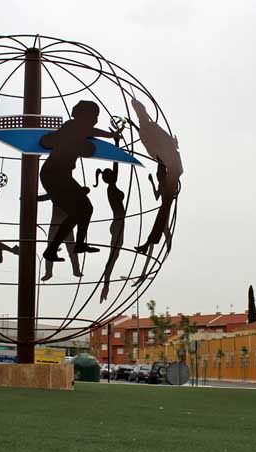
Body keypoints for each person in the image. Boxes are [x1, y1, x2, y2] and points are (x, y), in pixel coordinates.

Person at [38, 100, 121, 262]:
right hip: (54, 175)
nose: (95, 120)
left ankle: (66, 247)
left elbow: (89, 133)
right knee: (83, 210)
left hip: (61, 175)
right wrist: (111, 135)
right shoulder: (72, 126)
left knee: (83, 210)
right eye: (93, 116)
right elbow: (91, 131)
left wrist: (111, 136)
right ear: (84, 115)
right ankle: (64, 247)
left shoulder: (77, 131)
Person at [130, 98, 182, 255]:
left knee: (163, 212)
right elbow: (154, 148)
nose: (140, 115)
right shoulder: (147, 128)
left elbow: (157, 146)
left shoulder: (150, 128)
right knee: (163, 212)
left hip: (171, 171)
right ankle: (149, 243)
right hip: (167, 168)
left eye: (140, 113)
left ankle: (149, 243)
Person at [94, 162, 125, 302]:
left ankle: (106, 283)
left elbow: (116, 168)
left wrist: (118, 144)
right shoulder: (111, 189)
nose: (116, 175)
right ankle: (106, 284)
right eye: (113, 174)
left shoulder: (112, 186)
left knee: (115, 255)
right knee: (113, 256)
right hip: (118, 224)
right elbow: (116, 169)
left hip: (119, 224)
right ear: (110, 178)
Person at [37, 195, 83, 281]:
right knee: (66, 248)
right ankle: (50, 272)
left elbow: (42, 198)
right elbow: (42, 198)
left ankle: (75, 270)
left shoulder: (60, 193)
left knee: (70, 248)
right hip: (61, 224)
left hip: (64, 224)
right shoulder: (58, 193)